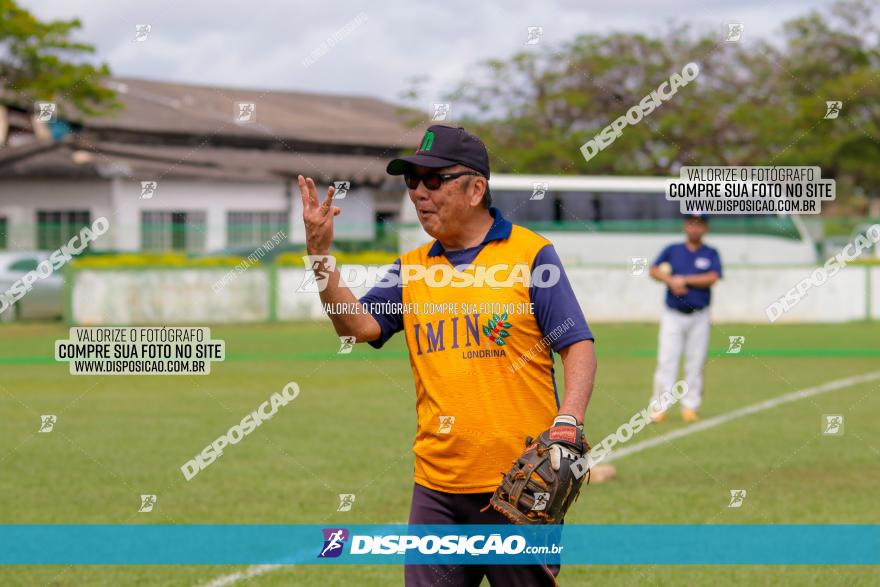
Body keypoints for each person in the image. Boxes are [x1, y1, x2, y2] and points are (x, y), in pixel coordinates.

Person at [298, 124, 597, 586]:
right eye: (412, 181)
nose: (420, 192)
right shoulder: (413, 268)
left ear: (476, 188)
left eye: (434, 180)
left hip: (519, 488)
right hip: (437, 487)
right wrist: (320, 257)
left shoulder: (531, 254)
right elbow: (356, 325)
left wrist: (569, 420)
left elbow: (575, 341)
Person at [648, 214, 722, 423]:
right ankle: (659, 407)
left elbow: (713, 277)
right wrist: (671, 280)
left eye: (699, 224)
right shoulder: (672, 250)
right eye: (691, 223)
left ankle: (690, 406)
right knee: (666, 360)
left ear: (705, 228)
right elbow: (653, 270)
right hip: (673, 314)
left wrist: (685, 280)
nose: (695, 228)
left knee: (696, 362)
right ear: (685, 226)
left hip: (699, 315)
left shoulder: (711, 253)